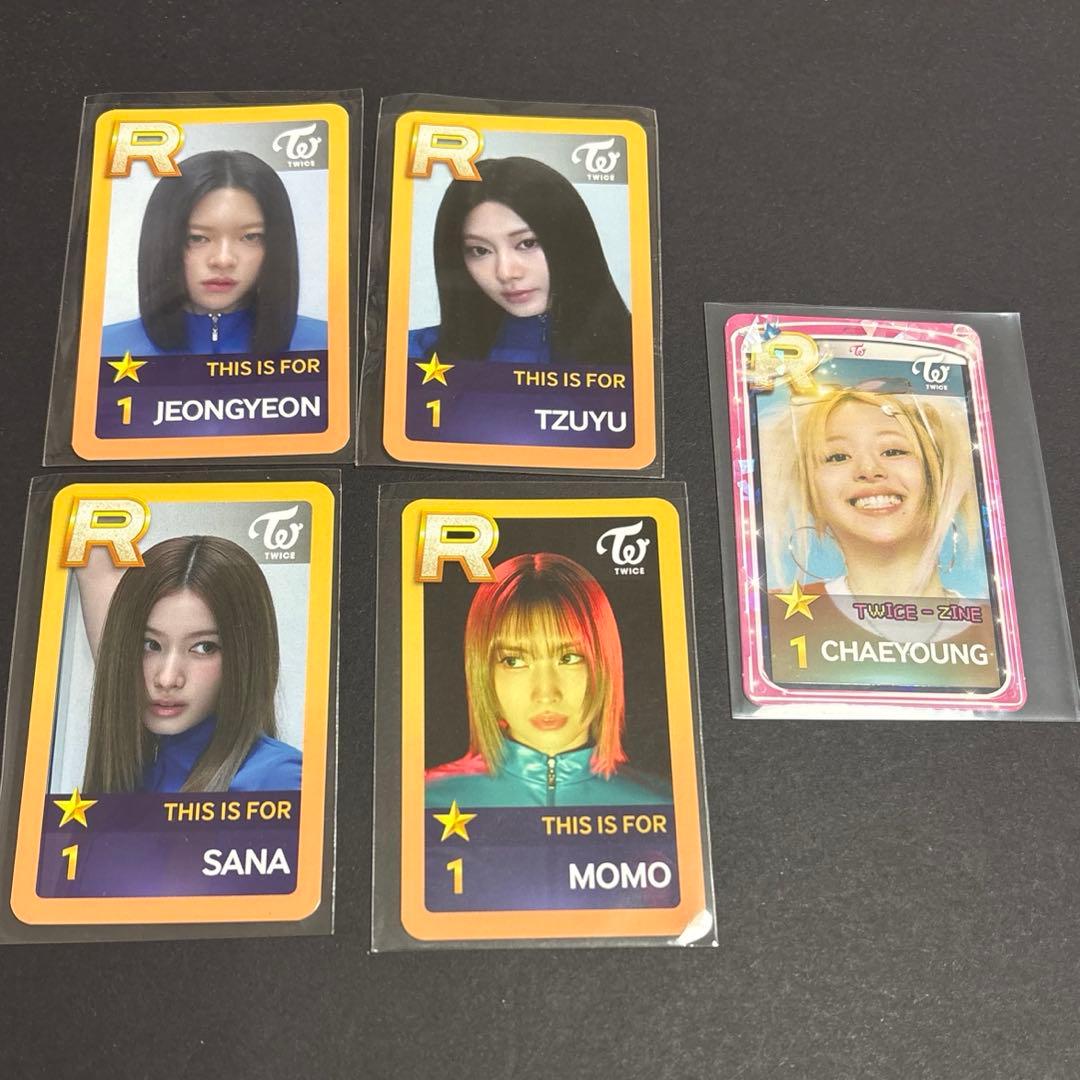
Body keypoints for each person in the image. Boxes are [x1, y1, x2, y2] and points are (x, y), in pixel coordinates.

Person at [425, 553, 671, 808]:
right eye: (514, 661)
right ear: (483, 673)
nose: (546, 694)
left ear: (603, 664)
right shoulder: (425, 801)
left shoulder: (662, 807)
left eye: (569, 658)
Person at [77, 535, 301, 793]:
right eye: (150, 644)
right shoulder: (137, 770)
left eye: (204, 647)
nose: (167, 679)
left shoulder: (278, 778)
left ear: (244, 657)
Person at [761, 382, 982, 603]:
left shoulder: (990, 618)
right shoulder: (776, 612)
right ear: (810, 493)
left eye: (893, 451)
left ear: (938, 476)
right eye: (838, 457)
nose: (868, 470)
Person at [409, 156, 632, 367]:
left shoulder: (639, 350)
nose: (506, 273)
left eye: (528, 243)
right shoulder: (415, 352)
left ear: (572, 239)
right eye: (480, 250)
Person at [101, 150, 326, 357]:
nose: (223, 260)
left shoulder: (327, 343)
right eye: (197, 238)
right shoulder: (104, 349)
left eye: (250, 237)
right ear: (162, 242)